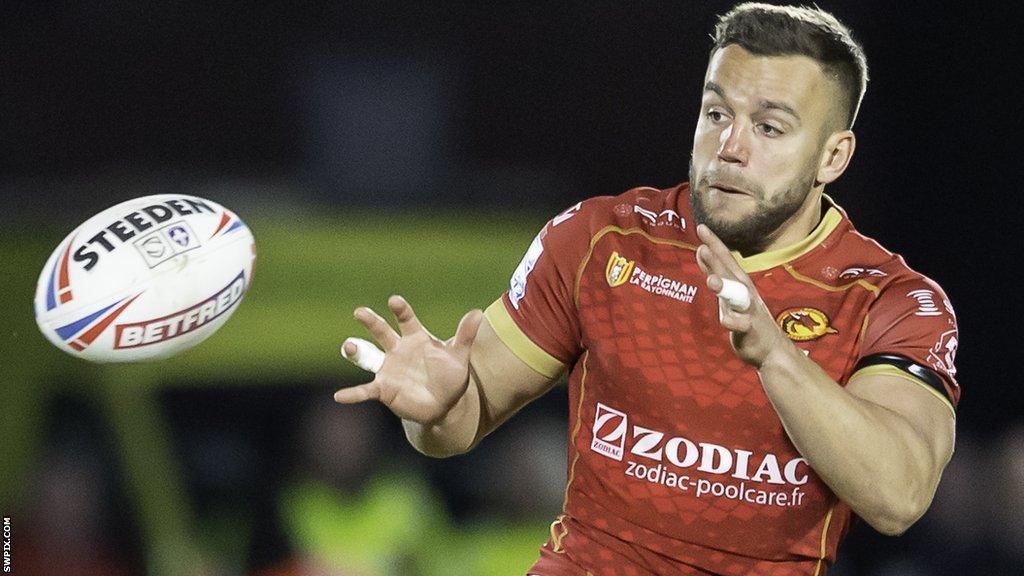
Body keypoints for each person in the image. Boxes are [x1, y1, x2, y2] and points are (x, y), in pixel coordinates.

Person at [334, 3, 960, 575]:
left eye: (769, 128)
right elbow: (458, 427)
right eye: (717, 114)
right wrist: (440, 408)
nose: (729, 148)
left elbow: (898, 496)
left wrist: (775, 357)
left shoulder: (890, 301)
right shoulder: (600, 240)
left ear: (833, 156)